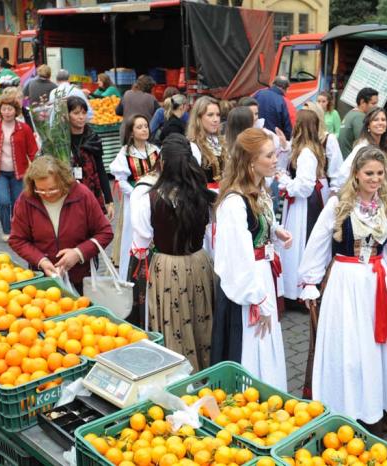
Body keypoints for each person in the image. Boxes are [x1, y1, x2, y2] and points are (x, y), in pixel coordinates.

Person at [299, 145, 387, 419]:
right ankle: (345, 404)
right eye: (369, 173)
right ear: (356, 175)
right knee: (348, 346)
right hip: (345, 281)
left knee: (374, 347)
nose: (375, 179)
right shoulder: (338, 204)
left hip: (377, 280)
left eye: (379, 173)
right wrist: (310, 280)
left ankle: (372, 404)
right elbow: (317, 243)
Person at [212, 128, 291, 390]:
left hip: (262, 276)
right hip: (247, 286)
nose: (275, 159)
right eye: (269, 155)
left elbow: (256, 226)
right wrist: (258, 299)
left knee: (265, 342)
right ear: (250, 161)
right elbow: (236, 259)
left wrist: (275, 231)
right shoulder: (234, 203)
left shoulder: (259, 190)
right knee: (252, 342)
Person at [129, 134, 216, 370]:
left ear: (163, 162)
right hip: (199, 263)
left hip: (167, 267)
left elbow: (142, 239)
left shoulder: (149, 196)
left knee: (173, 322)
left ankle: (176, 373)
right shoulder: (203, 193)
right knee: (200, 319)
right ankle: (204, 369)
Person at [9, 156, 114, 293]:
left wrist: (78, 253)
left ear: (63, 181)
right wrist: (41, 261)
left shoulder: (82, 195)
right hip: (44, 281)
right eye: (40, 190)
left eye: (52, 189)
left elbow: (105, 232)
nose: (46, 194)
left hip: (81, 278)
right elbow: (17, 239)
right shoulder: (26, 200)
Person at [277, 110, 326, 303]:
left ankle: (297, 290)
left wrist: (285, 181)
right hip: (301, 203)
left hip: (303, 205)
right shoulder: (308, 148)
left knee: (299, 243)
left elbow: (305, 187)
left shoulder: (306, 153)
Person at [0, 93, 38, 242]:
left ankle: (18, 228)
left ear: (16, 111)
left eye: (10, 109)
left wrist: (38, 169)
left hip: (19, 172)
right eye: (4, 109)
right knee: (4, 201)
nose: (6, 112)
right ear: (0, 110)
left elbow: (32, 151)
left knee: (18, 203)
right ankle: (7, 230)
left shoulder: (24, 128)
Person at [110, 115, 160, 282]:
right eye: (139, 127)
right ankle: (130, 275)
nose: (144, 129)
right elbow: (121, 181)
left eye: (146, 126)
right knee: (133, 234)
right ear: (131, 132)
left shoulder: (155, 150)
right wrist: (137, 194)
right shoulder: (125, 153)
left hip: (155, 199)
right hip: (134, 201)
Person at [67, 96, 114, 217]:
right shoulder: (62, 141)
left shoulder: (93, 138)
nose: (81, 117)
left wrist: (109, 200)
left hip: (92, 191)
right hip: (69, 194)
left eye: (83, 112)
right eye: (76, 113)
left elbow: (101, 169)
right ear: (67, 115)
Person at [336, 106, 387, 190]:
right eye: (375, 120)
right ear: (368, 125)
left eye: (383, 120)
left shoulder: (384, 146)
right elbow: (343, 174)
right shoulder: (363, 147)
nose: (380, 123)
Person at [187, 96, 226, 189]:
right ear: (199, 118)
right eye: (210, 115)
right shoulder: (193, 146)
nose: (216, 119)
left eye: (218, 114)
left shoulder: (222, 141)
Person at [302, 101, 343, 186]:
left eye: (306, 115)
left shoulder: (329, 139)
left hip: (321, 191)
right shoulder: (298, 138)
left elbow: (337, 170)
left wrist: (333, 191)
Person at [338, 87, 378, 156]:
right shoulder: (359, 117)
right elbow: (363, 145)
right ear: (362, 102)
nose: (376, 107)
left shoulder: (351, 113)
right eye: (373, 103)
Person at [115, 75, 159, 139]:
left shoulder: (127, 94)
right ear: (150, 87)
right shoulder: (151, 99)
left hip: (126, 133)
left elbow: (118, 111)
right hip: (144, 134)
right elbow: (158, 115)